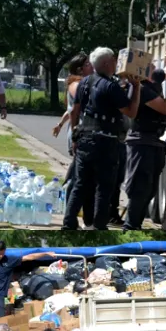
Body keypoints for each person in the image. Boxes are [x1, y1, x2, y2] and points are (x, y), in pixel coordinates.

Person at [63, 47, 140, 230]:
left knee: (80, 184)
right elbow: (131, 111)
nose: (115, 63)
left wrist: (75, 135)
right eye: (113, 60)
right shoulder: (111, 86)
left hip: (85, 139)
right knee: (104, 187)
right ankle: (98, 225)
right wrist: (136, 87)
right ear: (106, 63)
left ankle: (68, 223)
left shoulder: (84, 83)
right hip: (106, 141)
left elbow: (74, 111)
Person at [123, 67, 166, 229]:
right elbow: (165, 108)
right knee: (140, 188)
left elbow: (164, 106)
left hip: (151, 142)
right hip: (141, 143)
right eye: (151, 67)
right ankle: (130, 226)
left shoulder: (150, 88)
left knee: (149, 190)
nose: (155, 68)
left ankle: (135, 225)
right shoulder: (143, 89)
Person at [53, 54, 95, 228]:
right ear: (79, 69)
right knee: (79, 178)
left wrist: (59, 124)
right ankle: (71, 218)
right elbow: (75, 109)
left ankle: (83, 217)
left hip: (80, 132)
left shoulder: (83, 83)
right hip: (79, 134)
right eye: (87, 64)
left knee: (82, 176)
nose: (91, 66)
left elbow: (70, 110)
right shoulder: (76, 84)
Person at [0, 240, 55, 318]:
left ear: (5, 250)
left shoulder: (10, 261)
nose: (0, 256)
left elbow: (29, 257)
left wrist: (46, 253)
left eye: (2, 254)